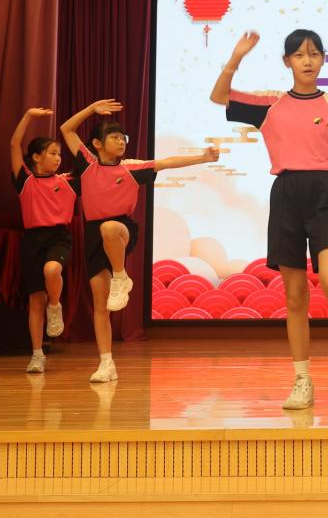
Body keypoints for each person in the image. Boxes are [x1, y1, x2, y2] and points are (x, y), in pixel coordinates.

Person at [210, 30, 328, 409]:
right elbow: (219, 97)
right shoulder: (270, 103)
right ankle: (302, 380)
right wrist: (236, 57)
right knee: (294, 295)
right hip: (286, 195)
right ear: (287, 62)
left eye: (314, 54)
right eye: (298, 55)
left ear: (323, 59)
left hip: (325, 194)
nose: (307, 61)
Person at [61, 99, 219, 383]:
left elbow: (166, 163)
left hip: (122, 230)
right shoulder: (87, 164)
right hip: (93, 234)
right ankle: (106, 363)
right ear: (97, 144)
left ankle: (121, 276)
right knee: (100, 303)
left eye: (123, 138)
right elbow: (66, 129)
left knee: (110, 228)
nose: (121, 142)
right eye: (114, 138)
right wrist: (91, 109)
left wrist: (203, 157)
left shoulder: (132, 168)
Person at [9, 108, 79, 374]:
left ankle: (56, 306)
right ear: (37, 157)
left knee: (52, 270)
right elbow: (14, 144)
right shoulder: (25, 180)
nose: (58, 158)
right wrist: (27, 116)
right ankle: (37, 354)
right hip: (32, 240)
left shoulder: (69, 181)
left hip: (59, 237)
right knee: (35, 300)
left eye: (59, 154)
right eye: (52, 153)